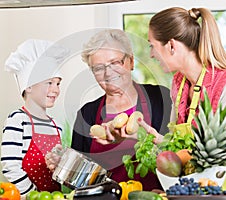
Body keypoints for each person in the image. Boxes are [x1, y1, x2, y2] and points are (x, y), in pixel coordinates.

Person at [138, 7, 226, 199]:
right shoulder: (179, 84)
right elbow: (186, 151)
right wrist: (161, 142)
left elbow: (221, 163)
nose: (151, 55)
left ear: (171, 46)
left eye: (152, 45)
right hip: (198, 191)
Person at [46, 29, 172, 191]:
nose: (108, 73)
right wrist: (62, 165)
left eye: (114, 62)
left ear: (131, 62)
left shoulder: (160, 98)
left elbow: (178, 154)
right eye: (98, 68)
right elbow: (79, 181)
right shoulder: (86, 114)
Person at [1, 39, 69, 195]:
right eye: (50, 83)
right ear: (29, 86)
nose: (56, 90)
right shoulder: (18, 120)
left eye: (58, 84)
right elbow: (10, 166)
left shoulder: (57, 126)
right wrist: (33, 195)